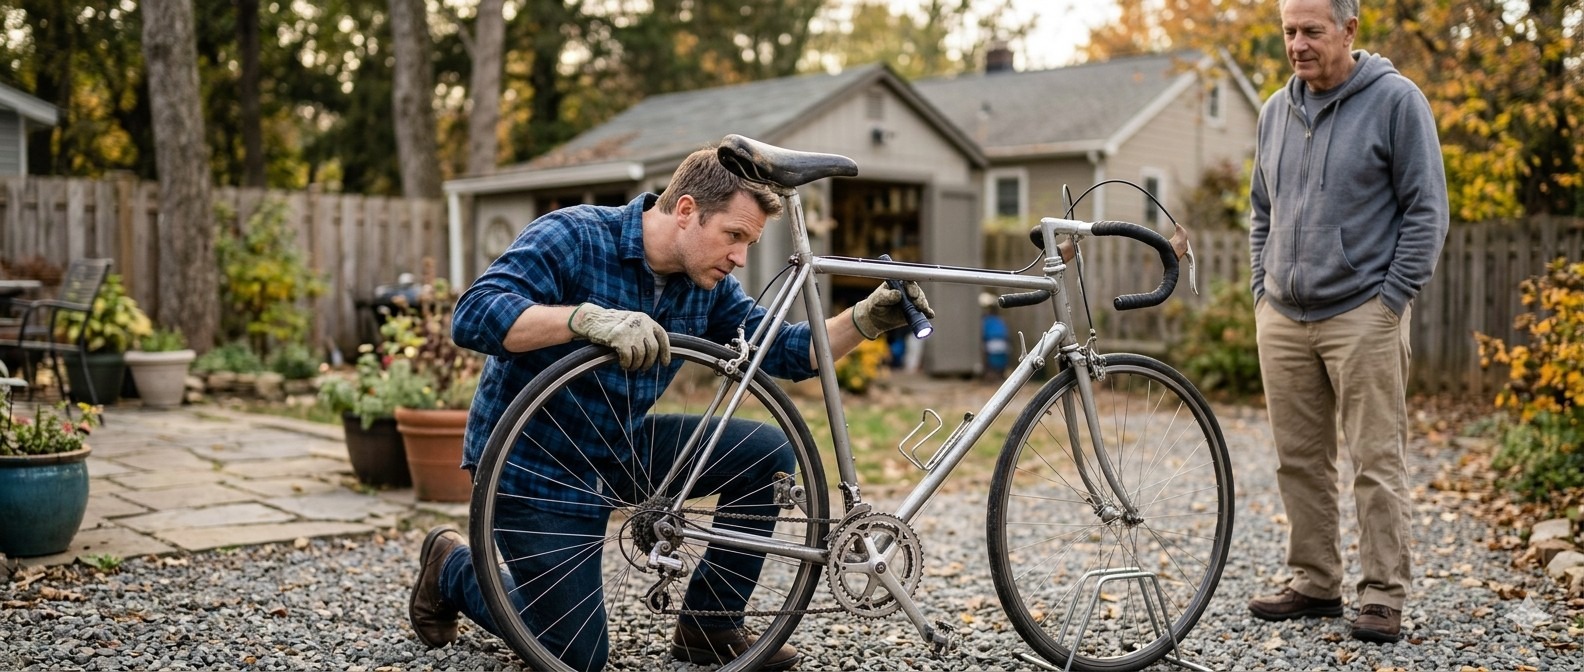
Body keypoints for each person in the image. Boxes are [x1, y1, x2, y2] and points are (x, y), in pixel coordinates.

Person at [406, 144, 933, 670]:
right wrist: (584, 319)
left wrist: (865, 319)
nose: (740, 258)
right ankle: (451, 567)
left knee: (766, 452)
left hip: (620, 449)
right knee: (574, 657)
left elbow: (786, 351)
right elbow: (474, 315)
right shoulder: (574, 235)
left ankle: (710, 624)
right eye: (734, 236)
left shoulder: (706, 286)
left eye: (749, 243)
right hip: (532, 467)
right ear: (685, 210)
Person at [1246, 0, 1448, 645]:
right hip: (1283, 315)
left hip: (1364, 312)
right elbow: (1261, 210)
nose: (1298, 44)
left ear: (1349, 29)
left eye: (1312, 30)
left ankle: (1383, 592)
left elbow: (1427, 209)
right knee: (1298, 461)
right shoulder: (1274, 111)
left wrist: (1392, 300)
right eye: (1289, 32)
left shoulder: (1396, 101)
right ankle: (1315, 580)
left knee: (1375, 460)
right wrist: (1261, 290)